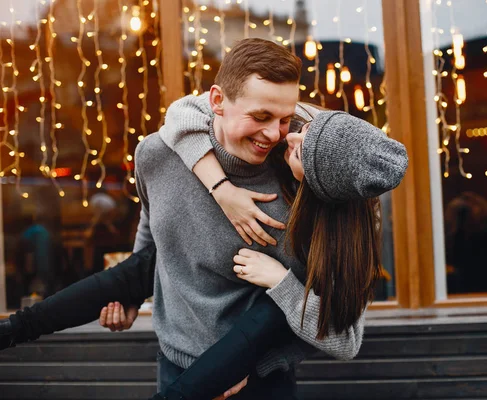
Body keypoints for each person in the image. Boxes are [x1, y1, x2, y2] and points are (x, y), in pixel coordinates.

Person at [1, 38, 408, 399]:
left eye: (285, 120)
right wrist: (135, 292)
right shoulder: (159, 153)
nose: (279, 133)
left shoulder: (307, 184)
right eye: (261, 116)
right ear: (216, 101)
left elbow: (335, 328)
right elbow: (154, 225)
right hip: (175, 360)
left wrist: (248, 364)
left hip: (260, 380)